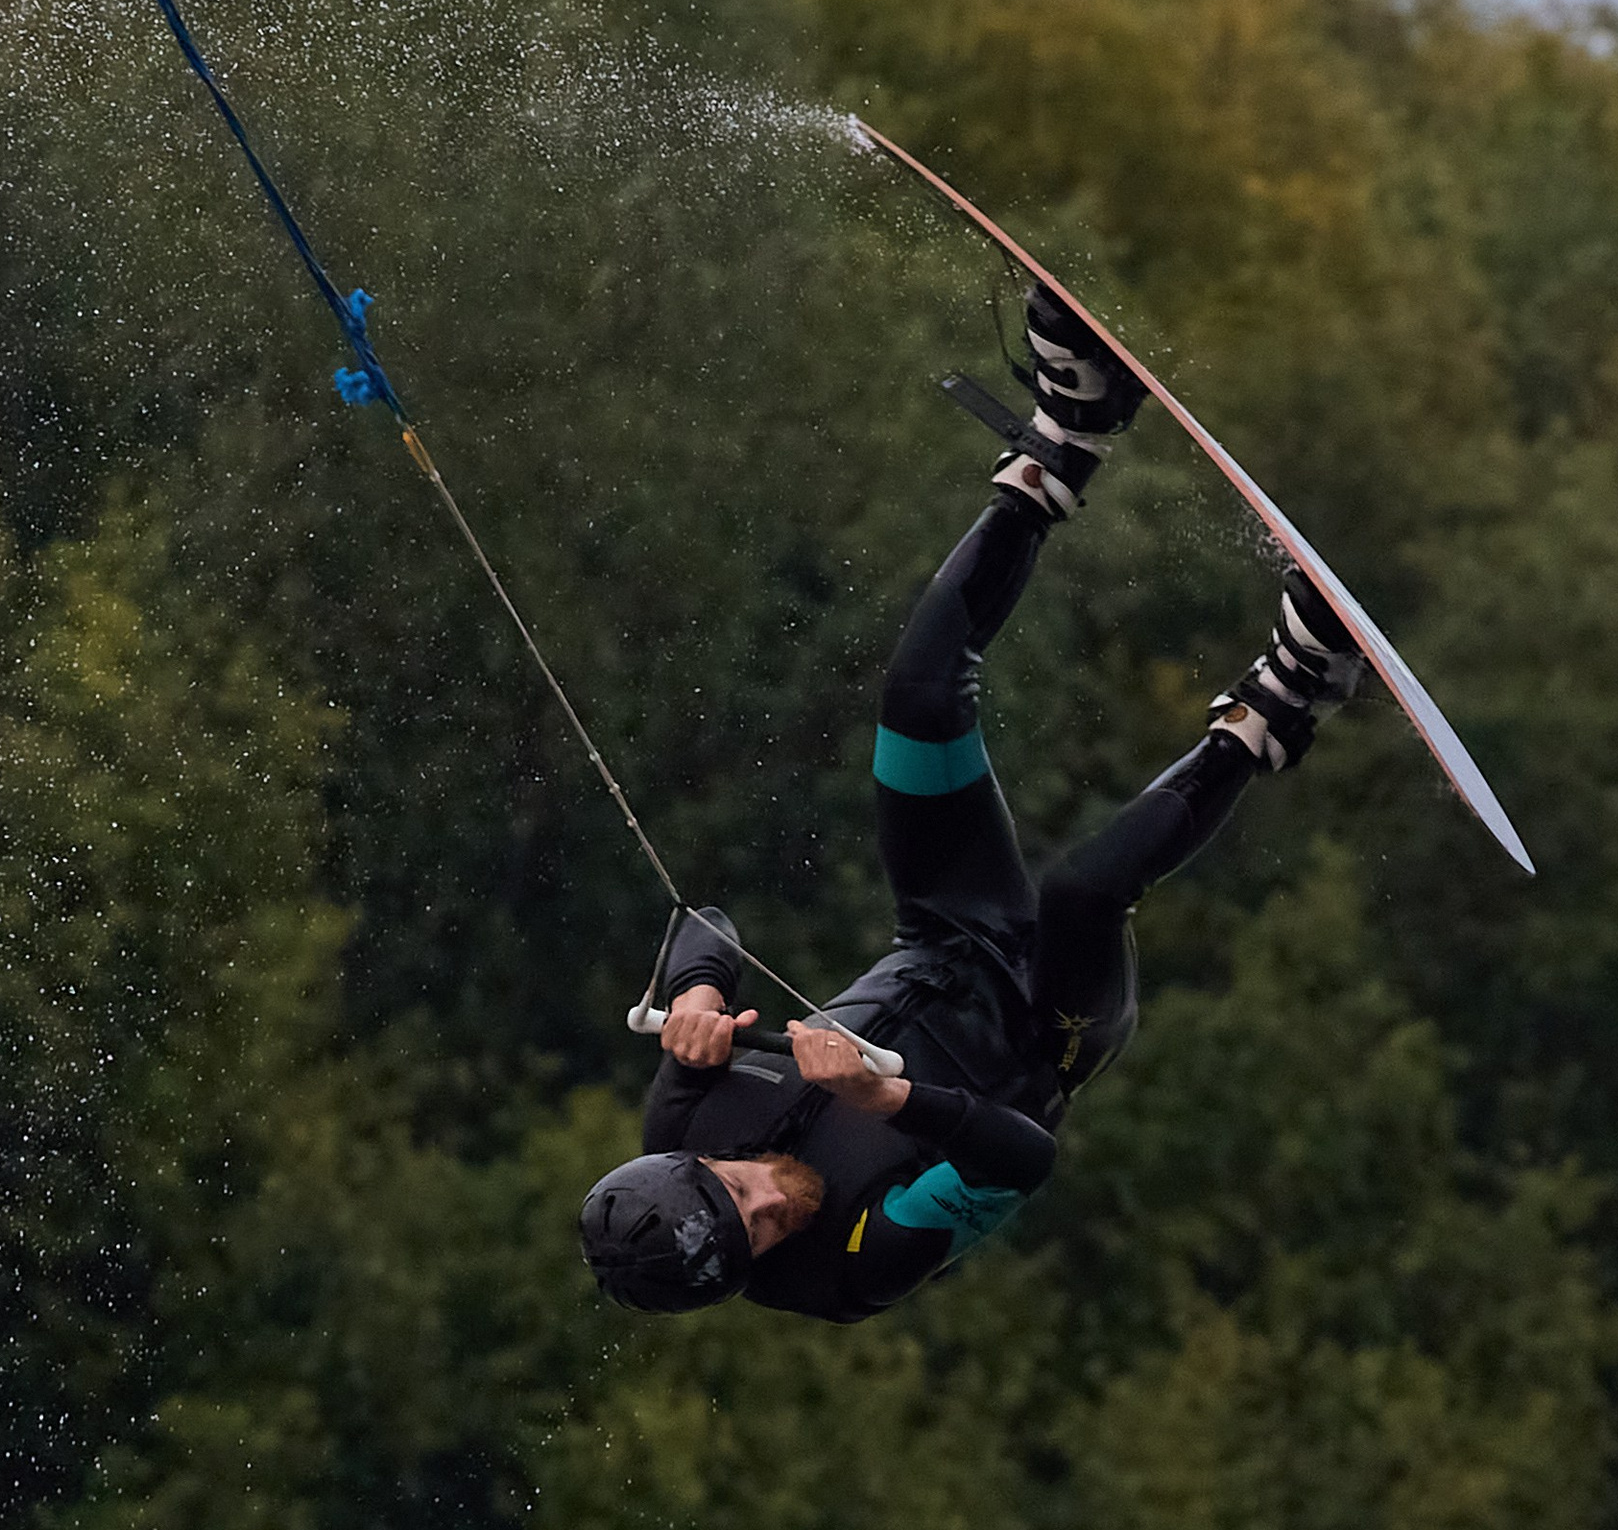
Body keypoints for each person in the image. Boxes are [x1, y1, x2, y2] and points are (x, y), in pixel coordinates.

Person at [578, 280, 1365, 1323]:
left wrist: (697, 996)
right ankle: (1288, 694)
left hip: (945, 927)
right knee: (1084, 892)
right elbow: (1019, 1162)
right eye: (760, 1229)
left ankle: (1065, 436)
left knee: (918, 693)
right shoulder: (848, 1266)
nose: (769, 1195)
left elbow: (704, 927)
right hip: (1048, 1029)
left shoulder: (685, 1116)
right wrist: (884, 1098)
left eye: (735, 1187)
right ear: (752, 1269)